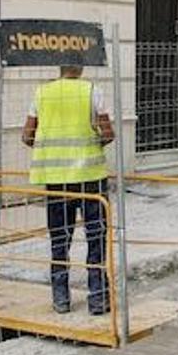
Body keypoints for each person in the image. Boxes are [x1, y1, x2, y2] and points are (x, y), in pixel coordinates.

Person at [22, 65, 115, 314]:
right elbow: (108, 133)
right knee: (96, 237)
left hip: (56, 180)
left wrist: (49, 144)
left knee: (59, 240)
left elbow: (27, 136)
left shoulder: (41, 92)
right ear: (81, 68)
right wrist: (92, 138)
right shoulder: (92, 91)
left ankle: (61, 298)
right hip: (90, 178)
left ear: (60, 68)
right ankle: (97, 298)